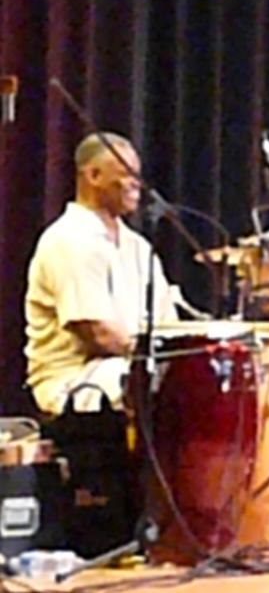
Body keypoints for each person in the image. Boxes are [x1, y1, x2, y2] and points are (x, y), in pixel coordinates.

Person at [25, 133, 176, 416]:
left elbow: (169, 327)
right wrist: (158, 358)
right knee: (155, 383)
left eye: (138, 175)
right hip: (73, 380)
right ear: (93, 176)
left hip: (127, 366)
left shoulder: (139, 248)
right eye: (127, 174)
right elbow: (99, 334)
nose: (137, 184)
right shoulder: (69, 239)